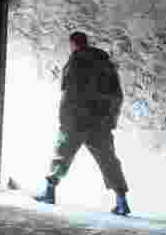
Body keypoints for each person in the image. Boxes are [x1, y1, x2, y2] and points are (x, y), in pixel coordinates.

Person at [35, 31, 130, 215]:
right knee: (109, 161)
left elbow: (69, 93)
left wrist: (64, 119)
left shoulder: (76, 61)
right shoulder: (107, 65)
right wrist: (110, 120)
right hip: (100, 123)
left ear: (73, 44)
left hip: (76, 120)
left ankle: (49, 193)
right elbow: (117, 96)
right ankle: (121, 202)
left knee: (61, 155)